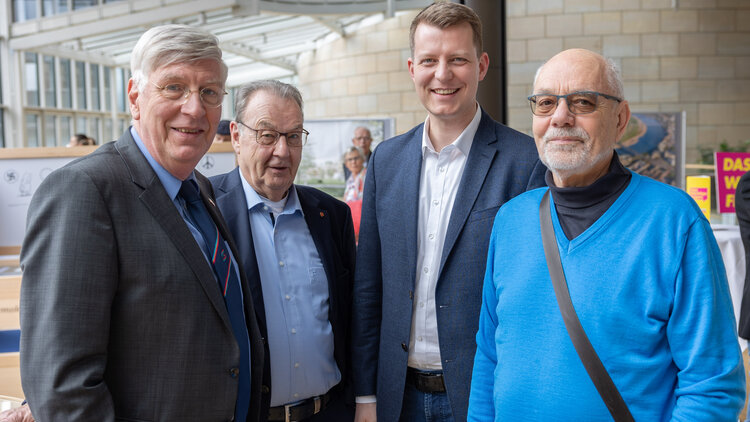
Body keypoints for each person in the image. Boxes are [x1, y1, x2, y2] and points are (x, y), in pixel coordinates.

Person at [468, 48, 745, 421]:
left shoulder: (674, 221)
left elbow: (712, 385)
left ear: (620, 119)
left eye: (583, 102)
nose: (561, 117)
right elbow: (488, 357)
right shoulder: (511, 220)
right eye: (546, 103)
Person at [19, 24, 264, 421]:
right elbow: (62, 388)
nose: (195, 108)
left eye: (209, 92)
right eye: (174, 87)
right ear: (135, 97)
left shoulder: (197, 189)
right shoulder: (85, 191)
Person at [350, 3, 546, 421]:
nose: (443, 74)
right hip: (395, 396)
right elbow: (369, 288)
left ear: (482, 65)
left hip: (482, 396)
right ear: (411, 67)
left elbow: (533, 301)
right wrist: (366, 395)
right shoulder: (386, 160)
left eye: (458, 59)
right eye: (429, 61)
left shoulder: (525, 161)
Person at [210, 80, 356, 422]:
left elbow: (352, 317)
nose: (282, 151)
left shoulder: (331, 215)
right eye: (267, 135)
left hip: (329, 412)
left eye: (293, 136)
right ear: (236, 136)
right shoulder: (205, 210)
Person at [343, 146, 366, 242]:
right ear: (346, 164)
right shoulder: (350, 180)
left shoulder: (367, 176)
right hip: (353, 228)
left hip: (363, 228)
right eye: (350, 159)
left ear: (362, 159)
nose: (353, 162)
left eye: (356, 158)